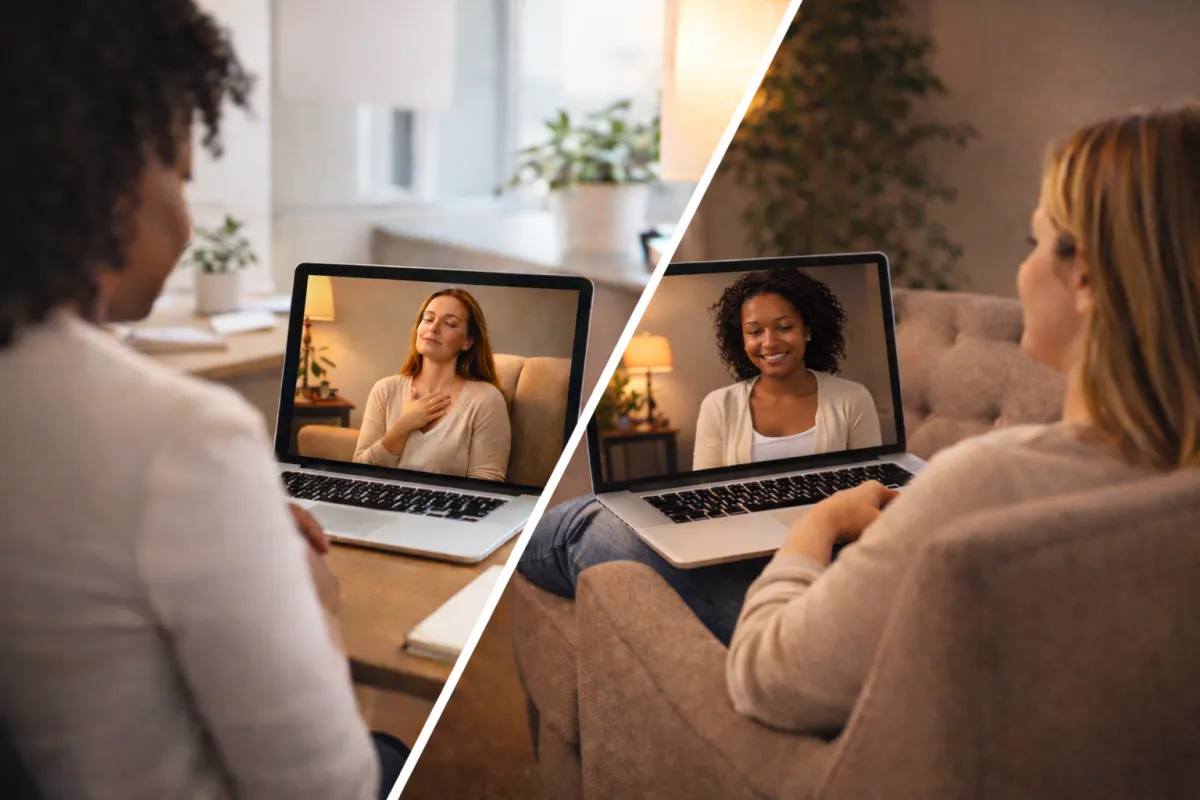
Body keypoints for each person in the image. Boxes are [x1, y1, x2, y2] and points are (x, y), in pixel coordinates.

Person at [519, 102, 1200, 734]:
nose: (1022, 270)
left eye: (1033, 240)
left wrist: (818, 524)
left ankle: (541, 534)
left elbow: (769, 677)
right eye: (753, 332)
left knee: (592, 527)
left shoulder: (981, 480)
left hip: (845, 699)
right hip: (878, 611)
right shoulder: (1160, 477)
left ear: (1085, 277)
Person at [0, 3, 405, 798]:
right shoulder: (174, 438)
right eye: (182, 176)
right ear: (113, 181)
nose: (186, 216)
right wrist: (311, 604)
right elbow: (330, 786)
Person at [694, 269, 883, 470]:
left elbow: (870, 485)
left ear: (807, 330)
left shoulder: (852, 399)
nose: (769, 342)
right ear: (742, 339)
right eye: (754, 332)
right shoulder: (718, 406)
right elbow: (705, 489)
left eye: (784, 327)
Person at [353, 288, 512, 481]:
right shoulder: (385, 389)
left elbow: (487, 481)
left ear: (467, 342)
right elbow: (359, 470)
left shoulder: (486, 400)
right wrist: (402, 427)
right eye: (428, 319)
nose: (433, 327)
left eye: (449, 323)